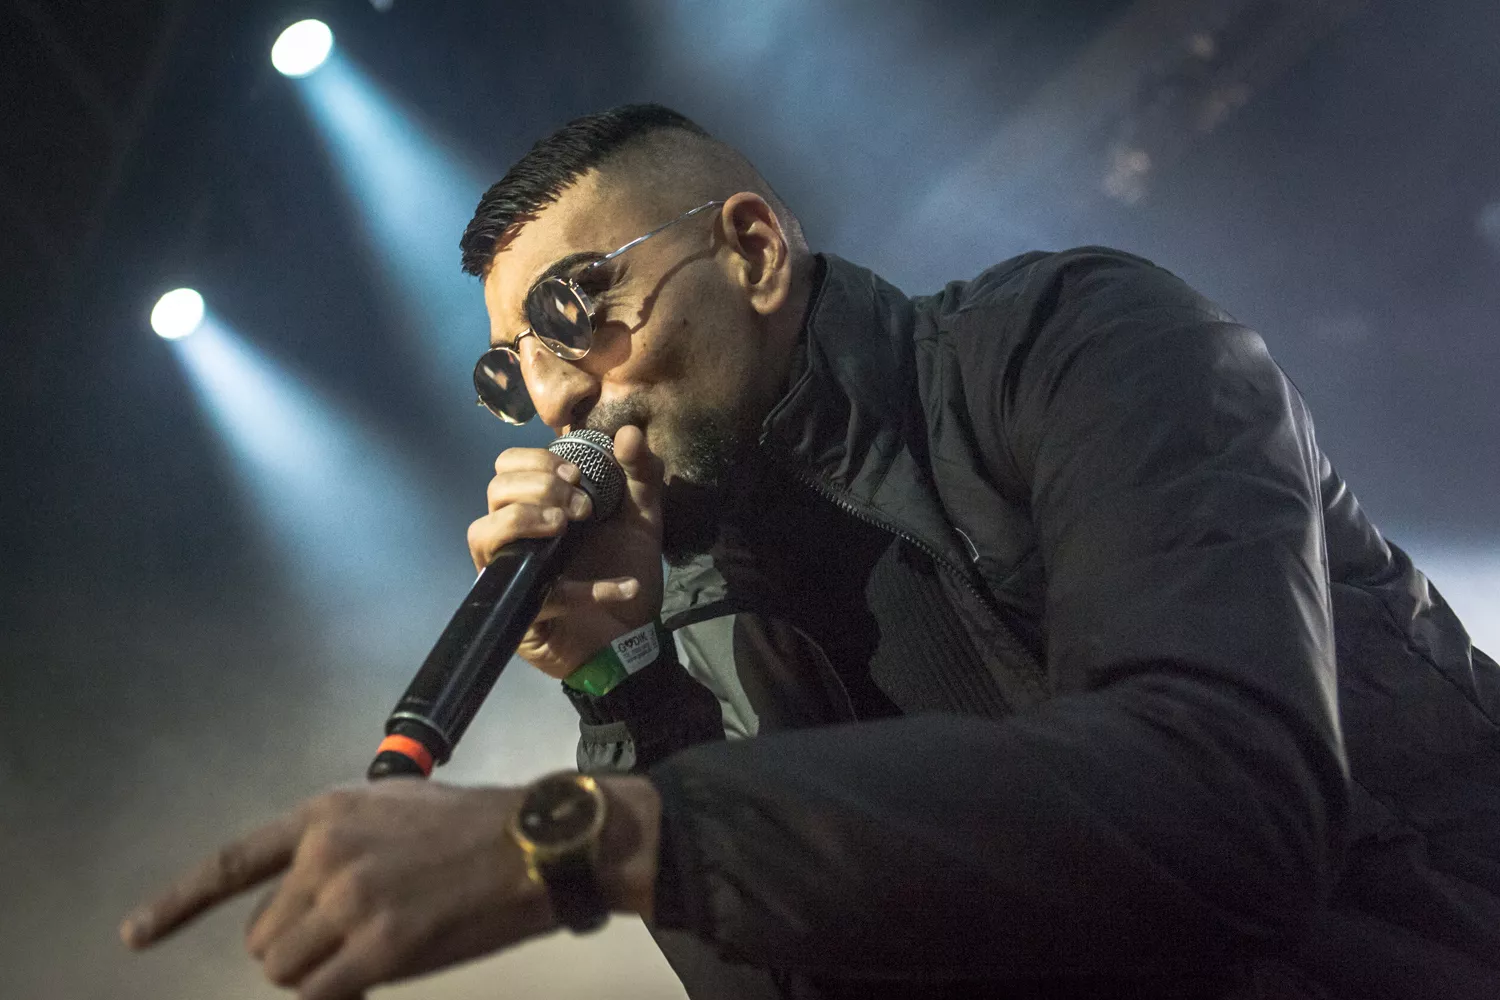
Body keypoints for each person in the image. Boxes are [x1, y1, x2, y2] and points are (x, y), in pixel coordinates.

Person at [122, 104, 1500, 999]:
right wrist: (621, 680)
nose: (555, 398)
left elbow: (1229, 797)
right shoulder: (711, 593)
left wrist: (596, 840)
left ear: (754, 250)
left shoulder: (1079, 345)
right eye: (512, 369)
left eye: (576, 313)